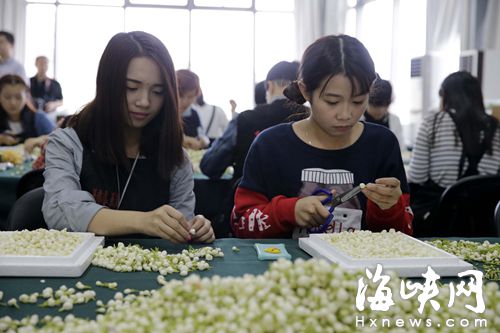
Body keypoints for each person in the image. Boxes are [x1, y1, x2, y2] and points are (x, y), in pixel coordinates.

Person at [231, 35, 413, 239]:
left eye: (358, 101)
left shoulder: (381, 144)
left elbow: (402, 236)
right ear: (305, 90)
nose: (345, 114)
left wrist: (389, 209)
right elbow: (241, 223)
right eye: (332, 102)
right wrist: (288, 211)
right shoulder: (271, 144)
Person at [42, 31, 215, 243]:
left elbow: (181, 226)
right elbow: (62, 213)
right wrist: (143, 221)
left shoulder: (175, 158)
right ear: (107, 85)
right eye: (131, 88)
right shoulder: (68, 143)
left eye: (158, 92)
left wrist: (193, 229)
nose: (144, 101)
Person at [408, 71, 500, 235]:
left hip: (439, 220)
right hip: (483, 224)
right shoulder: (496, 128)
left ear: (445, 96)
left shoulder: (433, 122)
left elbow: (417, 176)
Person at [200, 61, 307, 181]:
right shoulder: (311, 118)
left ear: (270, 86)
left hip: (249, 197)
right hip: (305, 198)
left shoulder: (246, 119)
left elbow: (209, 165)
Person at [0, 74, 54, 150]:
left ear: (26, 97)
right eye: (7, 97)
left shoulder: (38, 118)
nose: (13, 102)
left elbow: (57, 139)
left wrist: (39, 140)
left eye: (18, 97)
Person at [362, 78, 404, 151]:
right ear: (367, 101)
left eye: (384, 106)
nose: (380, 111)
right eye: (375, 106)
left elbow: (400, 147)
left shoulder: (394, 120)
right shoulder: (357, 119)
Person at [177, 69, 209, 150]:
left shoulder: (193, 114)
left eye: (190, 97)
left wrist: (201, 141)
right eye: (180, 95)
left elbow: (203, 136)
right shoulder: (161, 112)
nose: (184, 101)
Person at [30, 56, 63, 123]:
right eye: (41, 63)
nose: (43, 65)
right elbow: (25, 98)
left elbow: (61, 101)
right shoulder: (29, 82)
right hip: (32, 115)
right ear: (36, 64)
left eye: (45, 63)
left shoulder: (55, 83)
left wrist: (53, 104)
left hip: (50, 115)